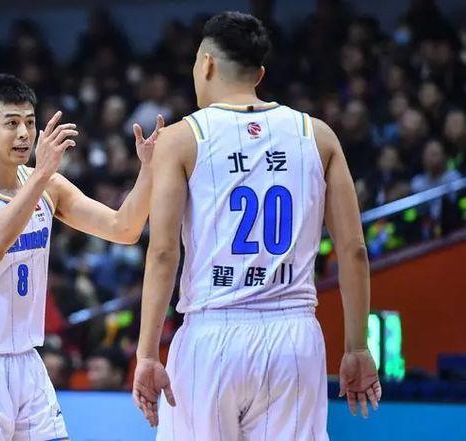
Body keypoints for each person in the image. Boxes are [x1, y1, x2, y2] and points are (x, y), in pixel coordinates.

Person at [133, 12, 382, 440]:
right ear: (259, 74)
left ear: (207, 63)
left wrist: (147, 354)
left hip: (212, 333)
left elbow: (163, 254)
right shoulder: (318, 135)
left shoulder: (180, 138)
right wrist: (357, 347)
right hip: (293, 337)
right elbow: (354, 251)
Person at [0, 73, 163, 441]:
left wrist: (149, 170)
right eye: (11, 123)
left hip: (27, 361)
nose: (24, 133)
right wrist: (40, 175)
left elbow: (124, 228)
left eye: (30, 122)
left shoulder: (46, 184)